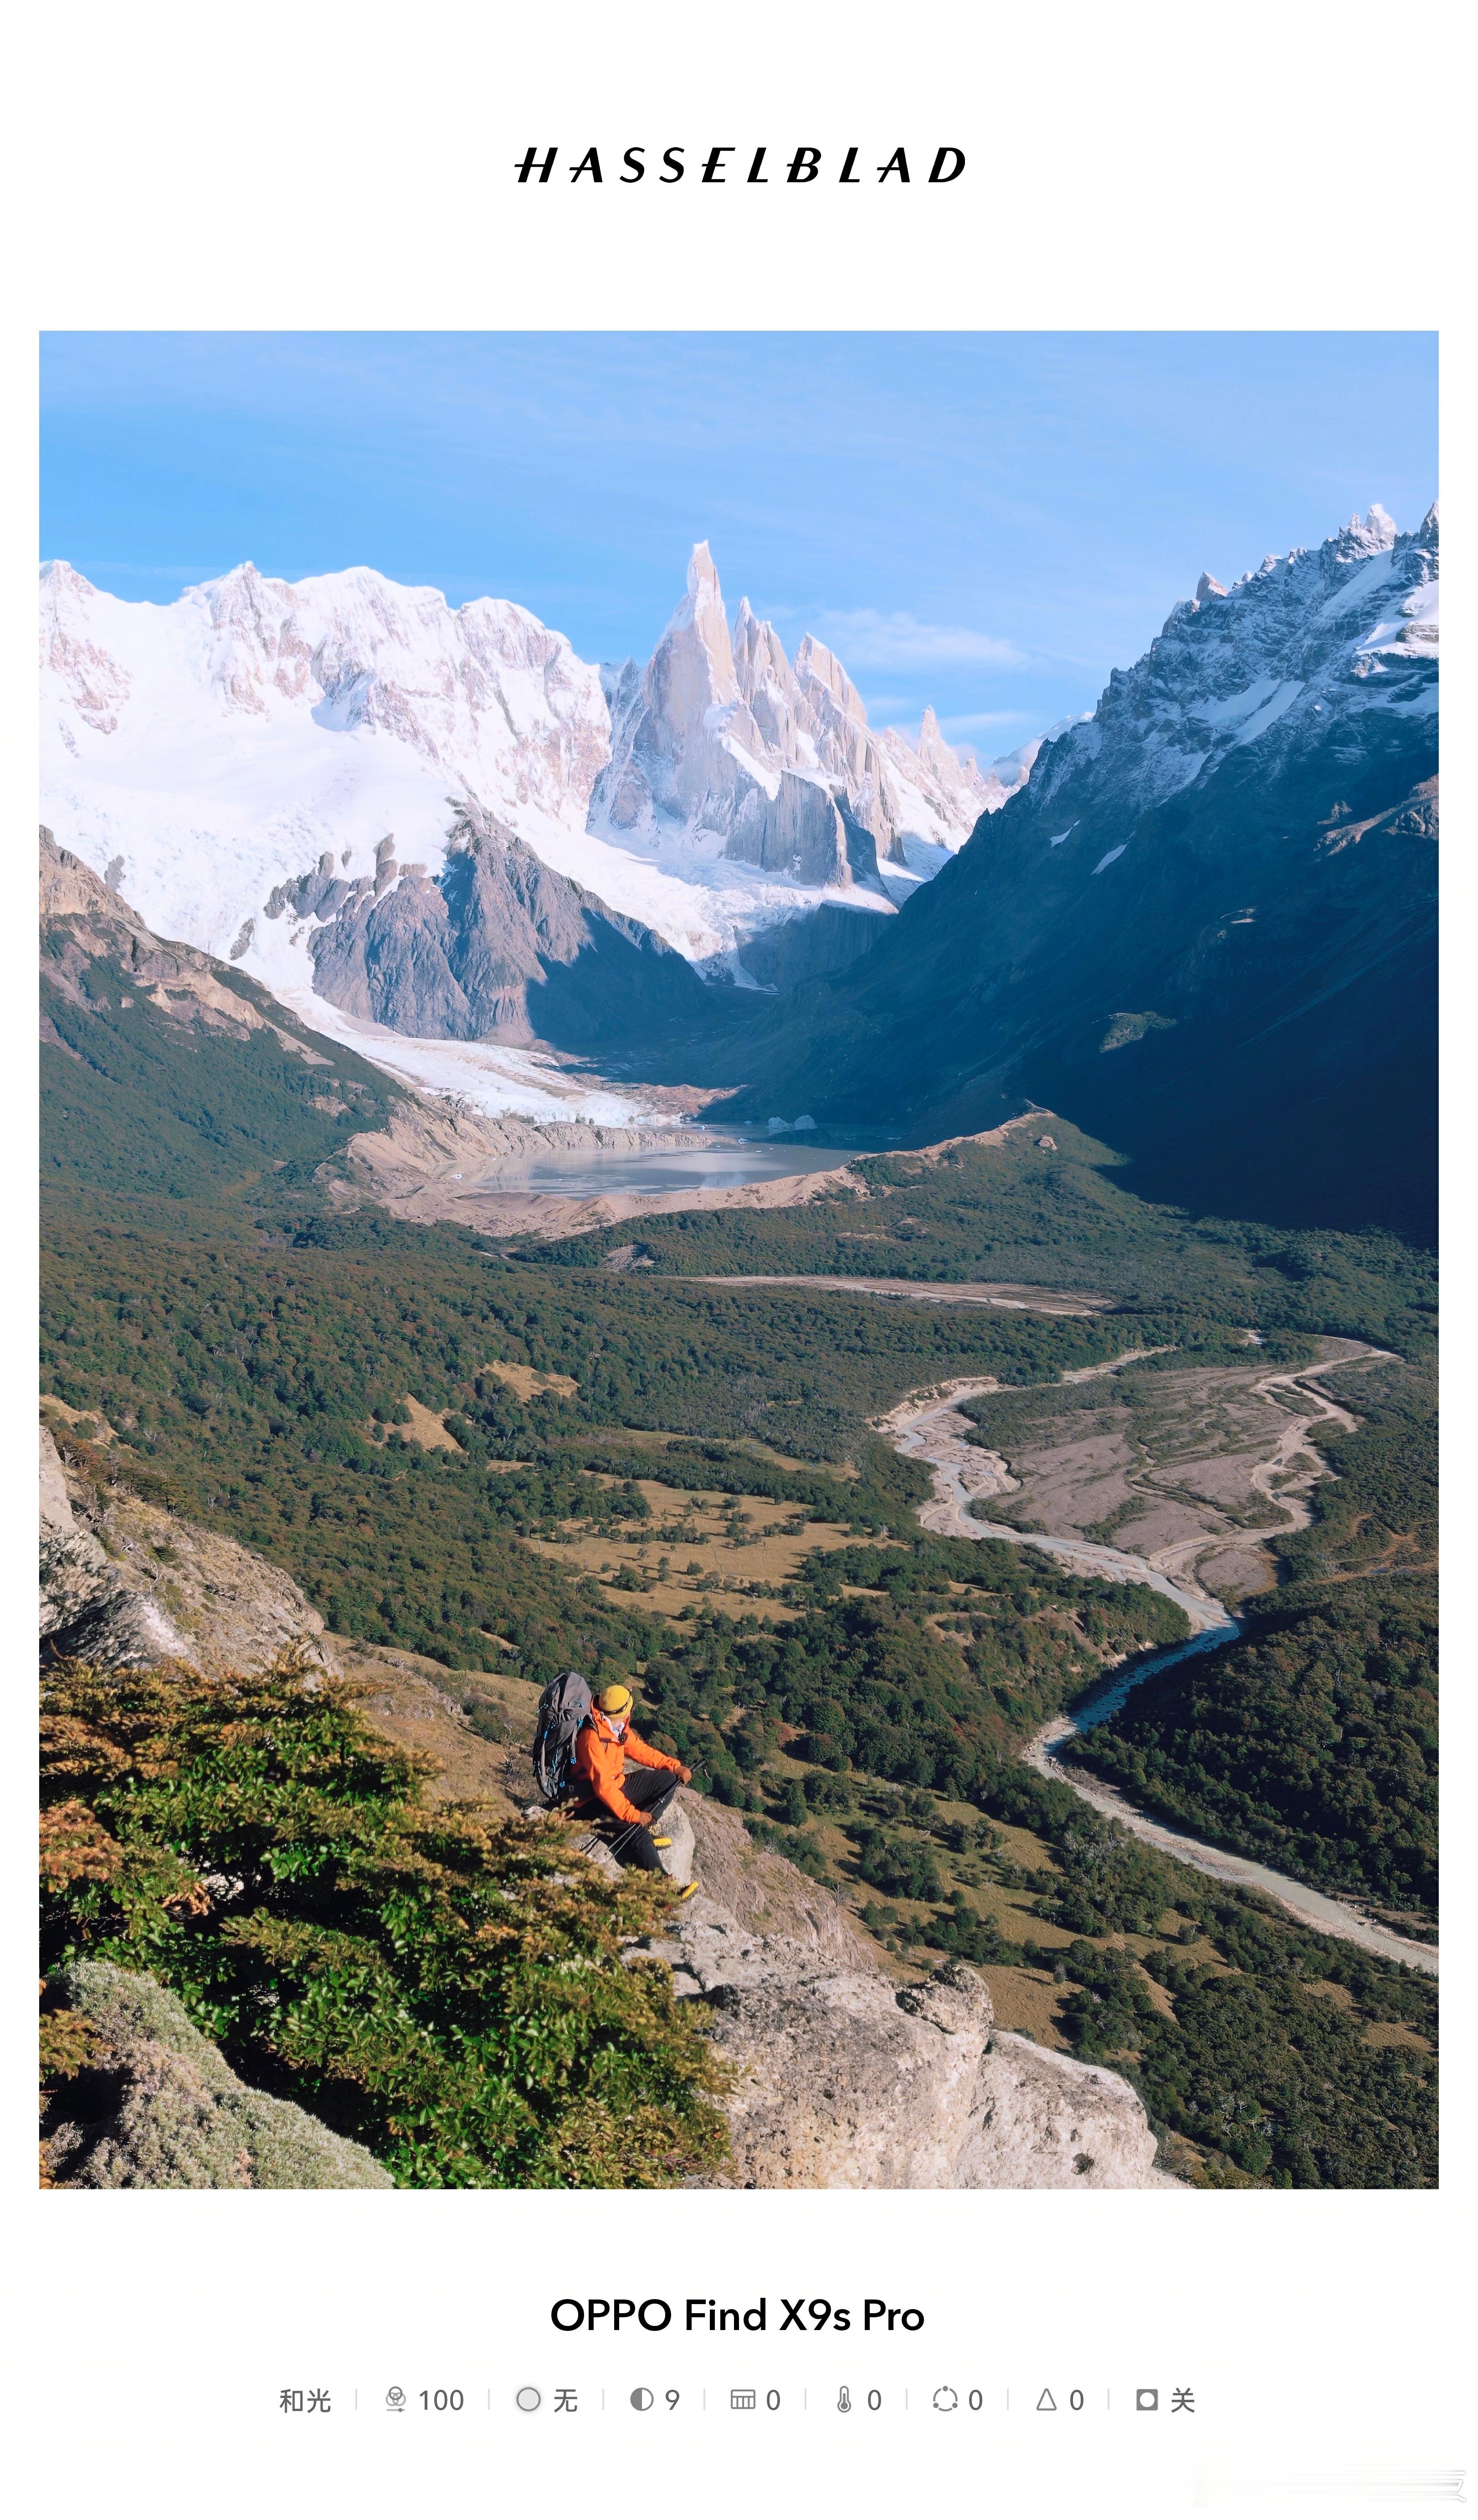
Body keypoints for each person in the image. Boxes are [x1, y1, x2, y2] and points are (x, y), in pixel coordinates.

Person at [568, 1684, 698, 1896]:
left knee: (666, 1780)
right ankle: (664, 1888)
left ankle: (645, 1828)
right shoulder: (591, 1737)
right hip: (589, 1800)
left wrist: (674, 1767)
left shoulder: (614, 1727)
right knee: (633, 1828)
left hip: (614, 1786)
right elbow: (603, 1785)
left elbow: (640, 1750)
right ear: (623, 1711)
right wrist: (632, 1814)